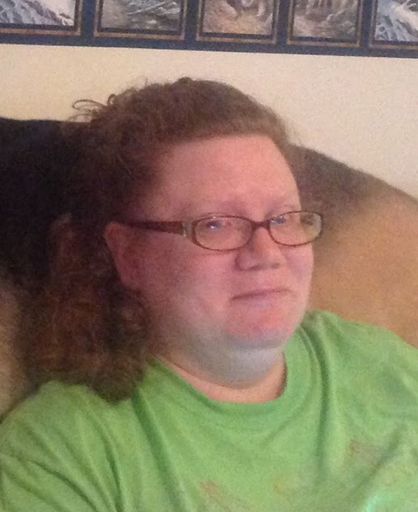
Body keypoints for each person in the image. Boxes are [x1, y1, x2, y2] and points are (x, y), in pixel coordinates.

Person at [0, 78, 417, 511]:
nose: (267, 254)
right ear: (128, 255)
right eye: (216, 224)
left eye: (284, 218)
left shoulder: (381, 363)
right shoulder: (59, 457)